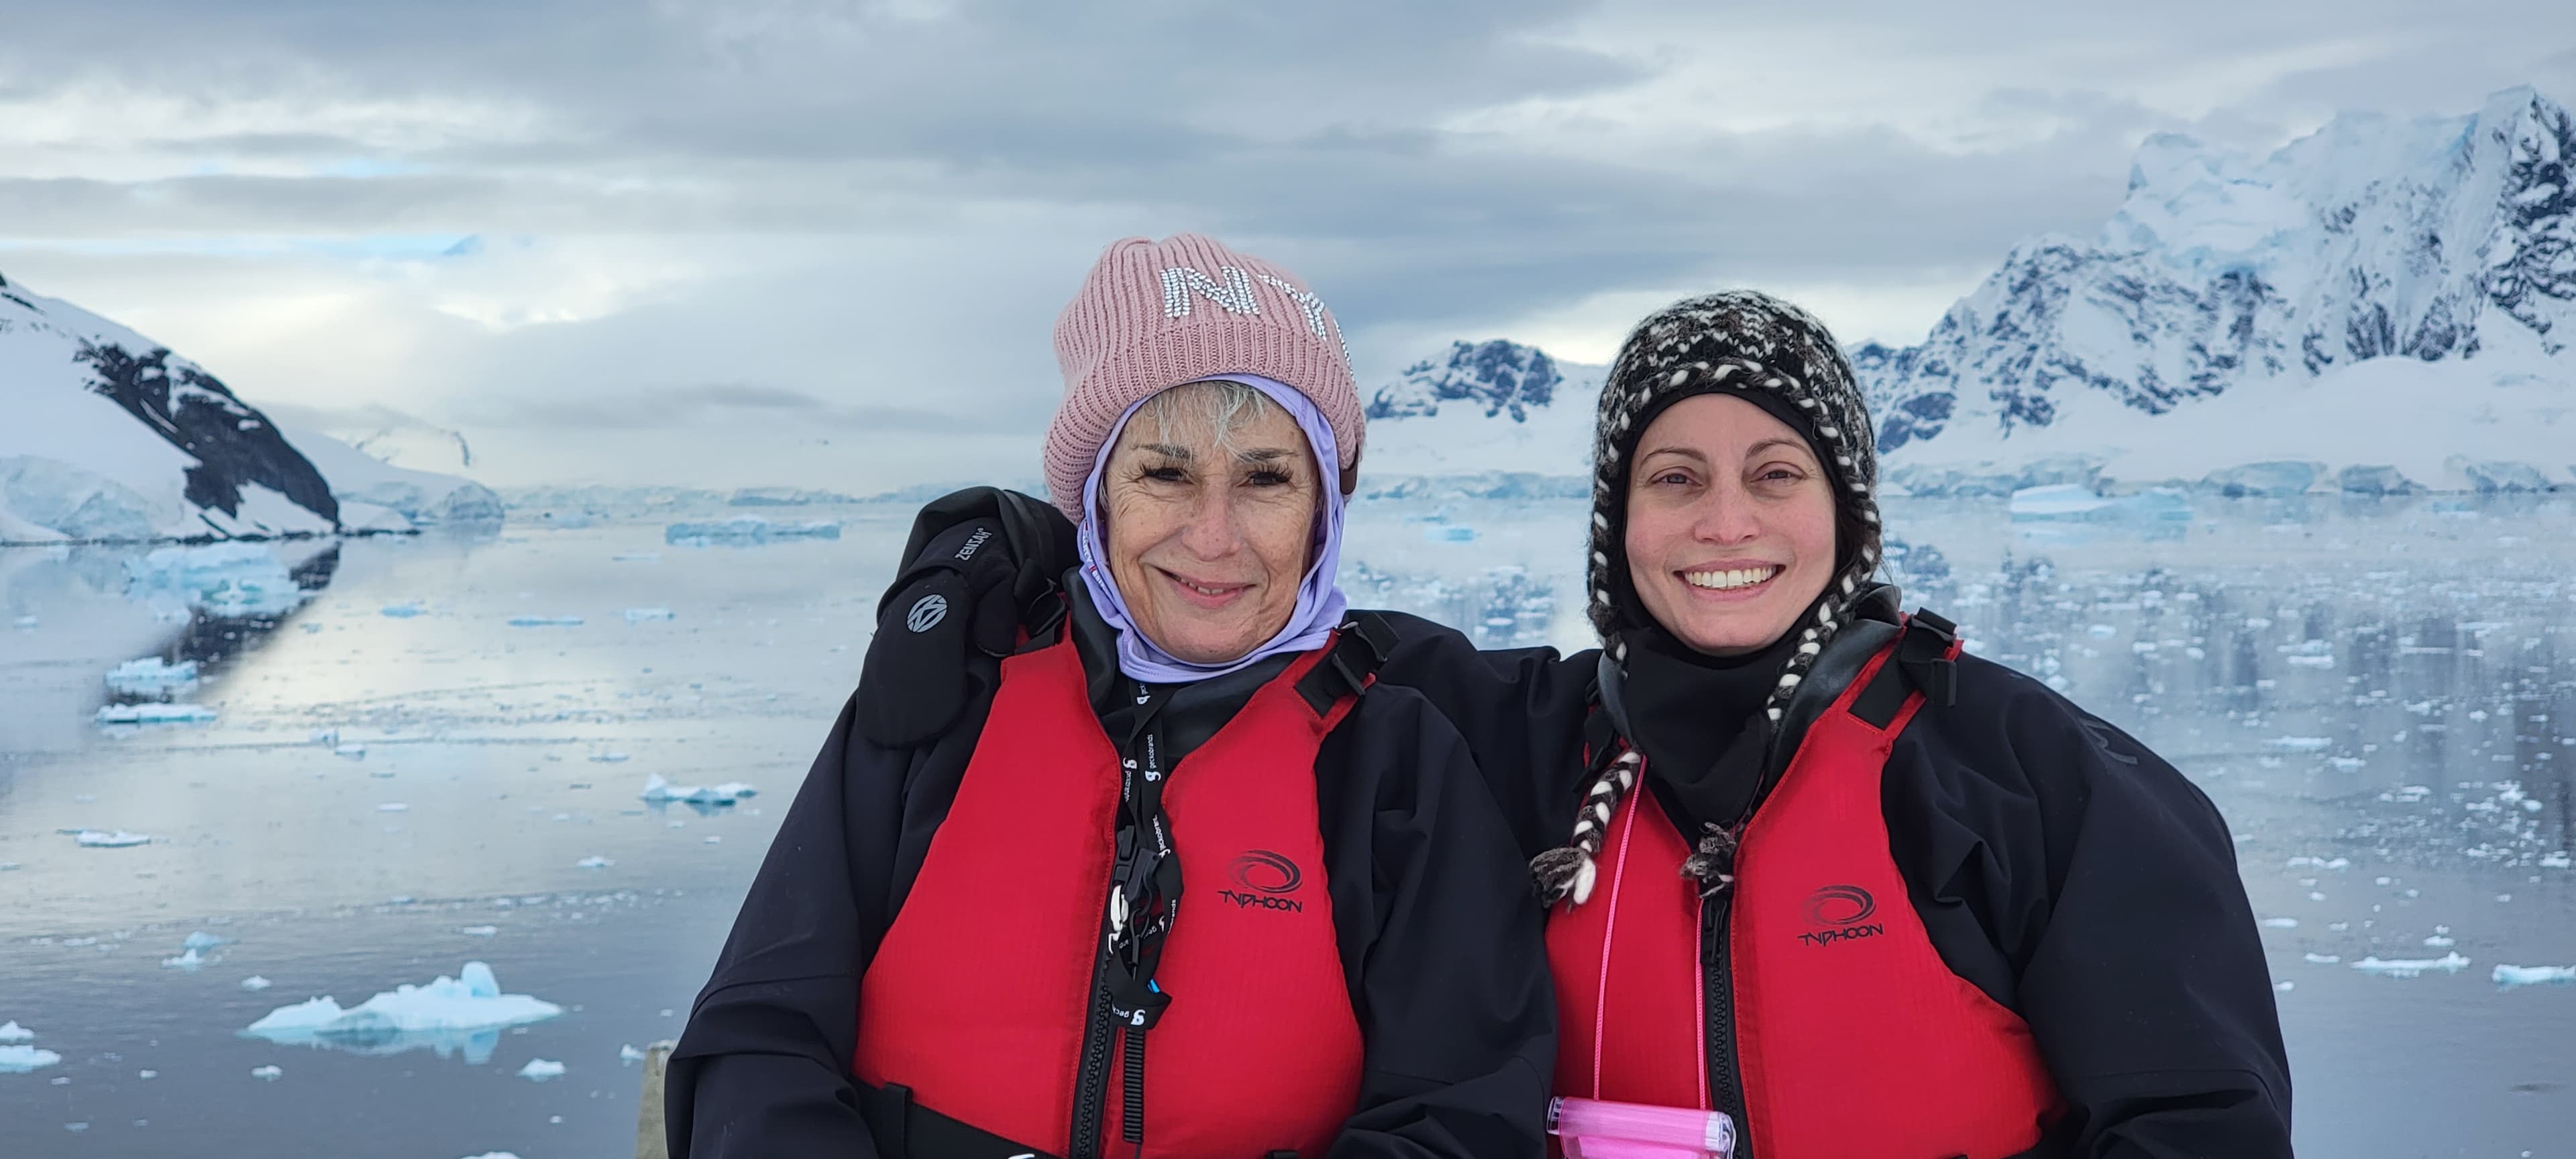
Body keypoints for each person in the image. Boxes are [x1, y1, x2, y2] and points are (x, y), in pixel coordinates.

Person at [904, 290, 2296, 1156]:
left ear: (1847, 510)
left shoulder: (2027, 778)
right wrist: (1035, 561)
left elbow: (2200, 1126)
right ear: (1618, 522)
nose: (1724, 522)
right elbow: (1245, 611)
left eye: (1775, 473)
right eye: (1673, 476)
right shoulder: (1514, 734)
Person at [663, 234, 1554, 1159]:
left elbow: (1461, 1116)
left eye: (1267, 480)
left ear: (1325, 506)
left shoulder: (1393, 760)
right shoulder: (952, 697)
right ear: (1095, 497)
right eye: (1165, 474)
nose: (1213, 537)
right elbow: (761, 1036)